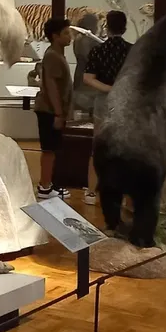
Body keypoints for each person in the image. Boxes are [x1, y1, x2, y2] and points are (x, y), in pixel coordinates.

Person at [81, 10, 132, 205]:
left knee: (98, 147)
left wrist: (108, 89)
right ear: (125, 27)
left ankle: (92, 193)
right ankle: (124, 192)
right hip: (126, 103)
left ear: (106, 27)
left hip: (103, 102)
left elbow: (88, 78)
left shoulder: (97, 51)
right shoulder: (132, 50)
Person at [33, 17, 73, 198]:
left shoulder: (57, 55)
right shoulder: (52, 56)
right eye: (66, 33)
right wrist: (58, 112)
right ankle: (45, 186)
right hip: (49, 110)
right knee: (49, 149)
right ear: (55, 36)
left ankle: (51, 184)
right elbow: (51, 86)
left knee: (53, 148)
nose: (70, 36)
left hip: (53, 110)